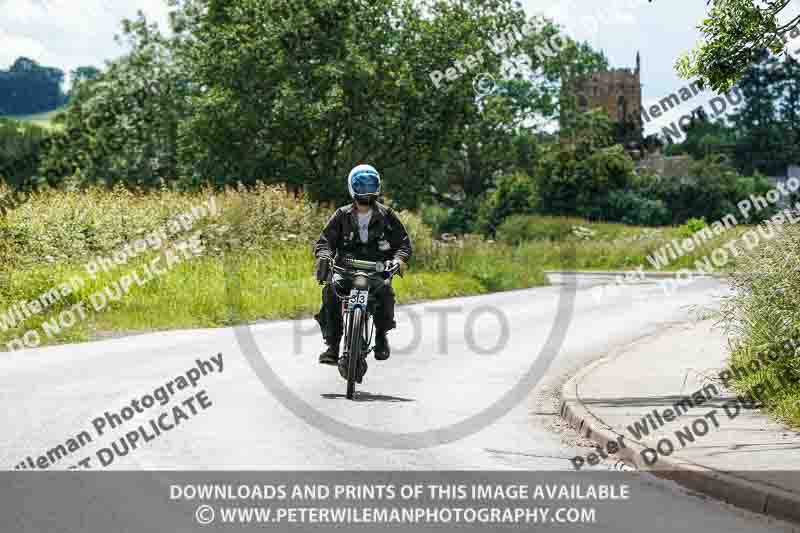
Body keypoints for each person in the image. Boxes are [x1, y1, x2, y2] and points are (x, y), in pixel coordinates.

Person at [313, 164, 412, 373]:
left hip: (376, 271)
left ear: (376, 188)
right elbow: (324, 241)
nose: (366, 190)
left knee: (385, 292)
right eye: (361, 185)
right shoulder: (341, 215)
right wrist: (324, 256)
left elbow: (403, 243)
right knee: (330, 292)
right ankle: (332, 346)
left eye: (370, 185)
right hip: (345, 270)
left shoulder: (387, 215)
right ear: (352, 188)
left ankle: (381, 336)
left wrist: (398, 260)